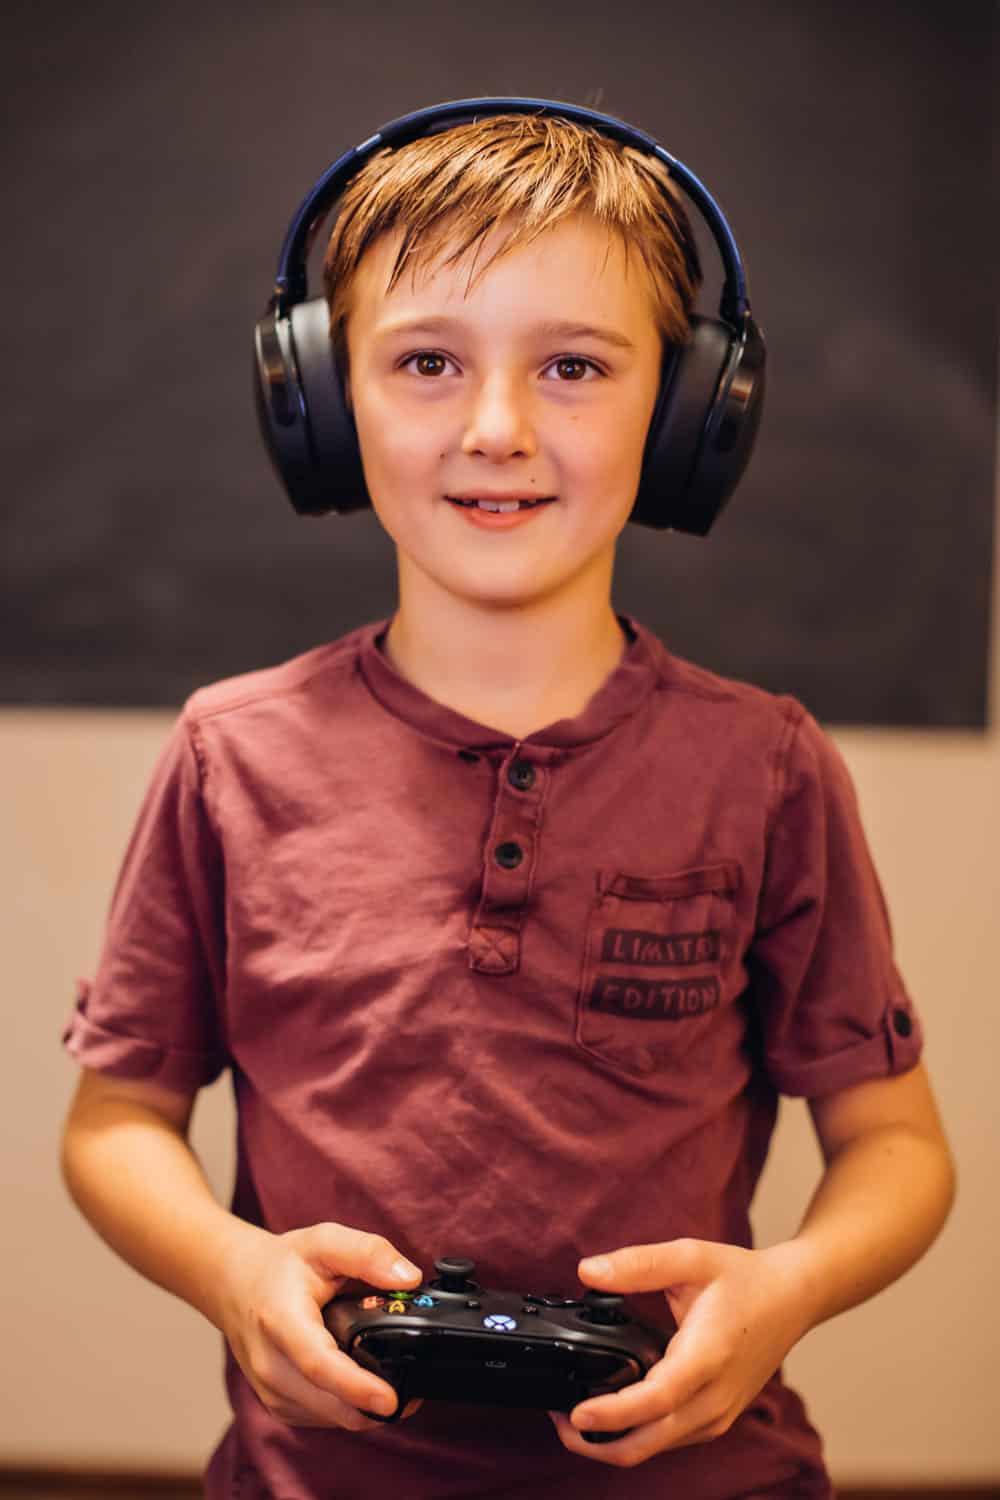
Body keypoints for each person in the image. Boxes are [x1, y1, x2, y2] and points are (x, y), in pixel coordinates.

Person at [59, 106, 956, 1499]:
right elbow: (116, 1121)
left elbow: (896, 1146)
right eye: (425, 360)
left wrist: (791, 1287)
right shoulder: (227, 756)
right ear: (314, 398)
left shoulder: (769, 767)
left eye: (575, 367)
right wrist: (231, 1270)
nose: (497, 427)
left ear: (684, 411)